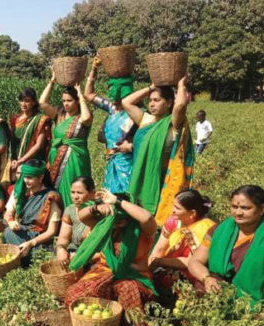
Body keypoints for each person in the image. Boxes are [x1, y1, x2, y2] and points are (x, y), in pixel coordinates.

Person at [66, 190, 157, 312]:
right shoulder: (106, 226)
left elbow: (147, 218)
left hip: (134, 275)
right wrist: (97, 207)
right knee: (75, 294)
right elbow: (81, 216)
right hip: (104, 271)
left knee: (127, 289)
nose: (115, 223)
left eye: (120, 220)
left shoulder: (142, 230)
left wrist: (117, 201)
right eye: (113, 218)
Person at [122, 77, 194, 226]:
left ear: (168, 103)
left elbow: (180, 105)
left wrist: (180, 85)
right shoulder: (145, 120)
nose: (152, 104)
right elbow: (126, 102)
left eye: (157, 100)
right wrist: (151, 87)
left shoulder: (173, 123)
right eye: (150, 100)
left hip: (162, 179)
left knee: (158, 218)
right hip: (140, 176)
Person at [188, 185, 263, 306]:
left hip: (249, 300)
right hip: (212, 289)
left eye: (245, 208)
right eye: (234, 207)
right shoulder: (219, 230)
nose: (238, 212)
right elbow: (195, 261)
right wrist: (206, 279)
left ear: (261, 209)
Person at [39, 72, 93, 207]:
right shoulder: (59, 115)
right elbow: (42, 103)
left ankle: (77, 216)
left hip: (75, 157)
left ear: (76, 101)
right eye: (64, 101)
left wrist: (81, 95)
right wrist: (52, 82)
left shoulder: (82, 116)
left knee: (75, 186)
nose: (66, 104)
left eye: (69, 100)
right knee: (57, 186)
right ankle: (59, 216)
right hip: (56, 156)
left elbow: (86, 118)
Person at [84, 58, 137, 194]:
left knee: (127, 194)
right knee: (110, 195)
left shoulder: (136, 113)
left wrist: (131, 146)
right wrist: (94, 69)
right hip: (111, 161)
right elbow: (88, 94)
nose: (110, 91)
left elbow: (146, 139)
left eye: (113, 88)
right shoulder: (111, 108)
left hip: (128, 162)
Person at [148, 190, 215, 290]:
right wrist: (149, 267)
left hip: (191, 272)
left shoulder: (204, 228)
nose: (172, 210)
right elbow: (160, 248)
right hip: (167, 264)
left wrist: (159, 262)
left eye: (177, 208)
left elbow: (191, 262)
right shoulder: (173, 220)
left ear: (192, 213)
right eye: (173, 205)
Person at [3, 160, 62, 263]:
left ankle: (25, 255)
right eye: (25, 177)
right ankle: (25, 256)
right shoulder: (19, 190)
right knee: (8, 232)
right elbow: (8, 213)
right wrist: (11, 222)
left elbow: (52, 231)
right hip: (22, 232)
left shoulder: (51, 197)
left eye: (30, 178)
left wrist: (31, 243)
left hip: (39, 239)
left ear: (41, 177)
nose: (26, 180)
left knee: (41, 254)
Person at [8, 88, 51, 182]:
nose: (23, 104)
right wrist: (13, 161)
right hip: (14, 162)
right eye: (21, 100)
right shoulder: (15, 120)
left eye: (27, 101)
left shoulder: (40, 120)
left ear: (34, 102)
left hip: (31, 162)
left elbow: (39, 145)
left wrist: (21, 161)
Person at [55, 176, 96, 269]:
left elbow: (104, 251)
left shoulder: (99, 212)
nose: (75, 197)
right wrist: (61, 249)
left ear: (92, 193)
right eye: (72, 192)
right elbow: (64, 238)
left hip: (93, 257)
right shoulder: (70, 211)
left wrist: (81, 257)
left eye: (80, 193)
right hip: (74, 252)